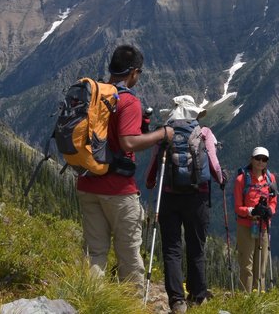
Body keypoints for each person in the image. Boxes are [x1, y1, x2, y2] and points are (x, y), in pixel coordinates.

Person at [76, 44, 174, 291]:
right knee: (129, 255)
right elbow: (127, 142)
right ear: (133, 72)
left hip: (87, 183)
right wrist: (162, 134)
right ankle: (130, 303)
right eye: (138, 73)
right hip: (118, 190)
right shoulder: (128, 101)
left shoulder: (95, 94)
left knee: (95, 251)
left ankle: (91, 301)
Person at [145, 95, 227, 313]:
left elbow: (154, 163)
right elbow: (214, 165)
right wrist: (221, 179)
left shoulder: (165, 132)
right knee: (196, 246)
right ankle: (198, 294)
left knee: (172, 248)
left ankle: (176, 300)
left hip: (169, 197)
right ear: (194, 113)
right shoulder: (204, 132)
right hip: (196, 197)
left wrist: (151, 181)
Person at [234, 146, 278, 292]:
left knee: (261, 264)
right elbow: (237, 207)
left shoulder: (271, 179)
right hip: (246, 225)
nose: (260, 162)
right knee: (247, 263)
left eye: (264, 159)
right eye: (257, 158)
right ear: (251, 159)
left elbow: (274, 200)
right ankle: (246, 298)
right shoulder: (241, 180)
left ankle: (258, 297)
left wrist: (269, 210)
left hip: (264, 226)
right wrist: (252, 211)